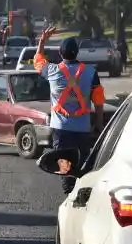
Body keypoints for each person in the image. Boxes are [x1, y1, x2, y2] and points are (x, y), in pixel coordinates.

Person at [34, 26, 106, 194]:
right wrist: (99, 124)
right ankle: (82, 195)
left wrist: (42, 41)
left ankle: (69, 195)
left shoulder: (52, 71)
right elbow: (98, 101)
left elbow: (38, 60)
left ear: (60, 53)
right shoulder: (91, 73)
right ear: (77, 53)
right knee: (82, 167)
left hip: (60, 130)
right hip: (82, 129)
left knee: (65, 168)